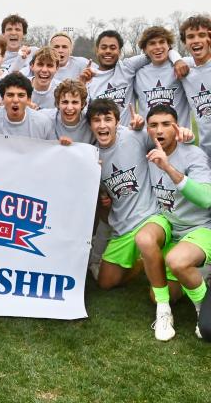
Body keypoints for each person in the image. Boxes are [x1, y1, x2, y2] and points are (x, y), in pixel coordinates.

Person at [87, 98, 192, 341]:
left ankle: (163, 308)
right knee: (105, 283)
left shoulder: (134, 136)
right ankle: (146, 261)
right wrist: (105, 201)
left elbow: (166, 142)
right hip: (122, 229)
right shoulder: (91, 156)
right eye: (96, 120)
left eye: (108, 119)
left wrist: (184, 134)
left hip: (152, 218)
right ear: (91, 125)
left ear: (117, 121)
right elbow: (102, 209)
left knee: (161, 292)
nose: (102, 125)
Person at [146, 104, 211, 339]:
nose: (159, 130)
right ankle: (163, 310)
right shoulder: (149, 148)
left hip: (200, 227)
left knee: (176, 261)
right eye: (153, 125)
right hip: (171, 225)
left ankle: (203, 309)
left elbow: (205, 199)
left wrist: (167, 167)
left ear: (177, 127)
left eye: (166, 124)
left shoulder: (193, 154)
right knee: (144, 239)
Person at [80, 30, 186, 126]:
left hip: (130, 139)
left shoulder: (127, 67)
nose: (108, 51)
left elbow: (155, 53)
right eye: (104, 47)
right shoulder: (89, 79)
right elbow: (83, 115)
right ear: (97, 50)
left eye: (113, 48)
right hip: (104, 139)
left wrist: (177, 60)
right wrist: (81, 84)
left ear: (120, 52)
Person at [0, 73, 54, 139]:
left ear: (28, 99)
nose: (15, 100)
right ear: (2, 98)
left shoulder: (43, 123)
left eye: (21, 95)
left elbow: (54, 151)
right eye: (10, 95)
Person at [134, 26, 190, 127]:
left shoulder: (182, 66)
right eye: (152, 43)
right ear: (145, 49)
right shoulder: (138, 75)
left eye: (162, 42)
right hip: (148, 139)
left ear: (168, 45)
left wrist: (177, 59)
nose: (158, 47)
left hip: (179, 139)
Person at [179, 15, 211, 160]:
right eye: (191, 36)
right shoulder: (186, 72)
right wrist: (176, 60)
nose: (197, 40)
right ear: (185, 43)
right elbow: (165, 53)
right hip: (206, 154)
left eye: (202, 35)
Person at [40, 79, 95, 144]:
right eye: (65, 102)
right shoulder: (45, 117)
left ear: (82, 104)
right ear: (57, 103)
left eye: (75, 102)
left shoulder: (91, 120)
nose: (69, 108)